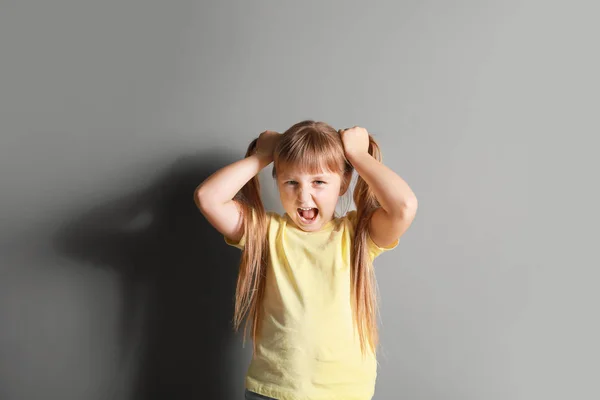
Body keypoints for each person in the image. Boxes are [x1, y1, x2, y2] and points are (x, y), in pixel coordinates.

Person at [194, 120, 418, 400]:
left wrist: (358, 156)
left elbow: (404, 207)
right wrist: (261, 156)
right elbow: (208, 198)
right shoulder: (266, 233)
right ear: (277, 181)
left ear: (343, 183)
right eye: (291, 182)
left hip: (344, 392)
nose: (304, 195)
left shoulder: (356, 235)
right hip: (273, 390)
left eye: (319, 182)